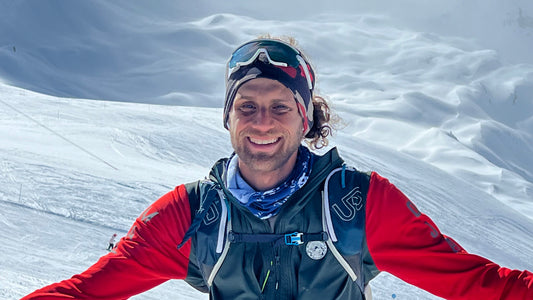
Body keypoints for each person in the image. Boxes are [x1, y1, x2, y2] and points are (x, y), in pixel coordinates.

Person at [23, 37, 532, 300]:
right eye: (246, 105)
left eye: (281, 106)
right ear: (228, 117)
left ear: (305, 117)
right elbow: (87, 290)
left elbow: (475, 283)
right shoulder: (193, 214)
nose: (261, 122)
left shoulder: (359, 204)